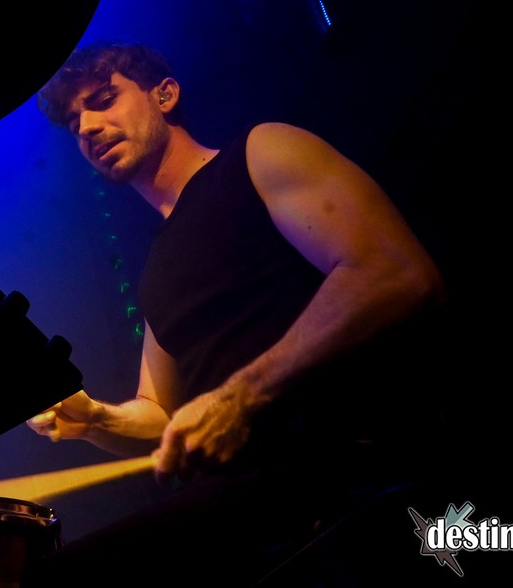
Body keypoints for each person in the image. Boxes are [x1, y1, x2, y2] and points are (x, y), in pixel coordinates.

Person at [22, 40, 448, 585]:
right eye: (73, 122)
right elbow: (161, 413)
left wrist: (241, 396)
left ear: (164, 95)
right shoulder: (157, 268)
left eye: (103, 100)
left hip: (341, 468)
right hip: (248, 500)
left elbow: (396, 272)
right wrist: (96, 419)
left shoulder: (259, 153)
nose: (85, 127)